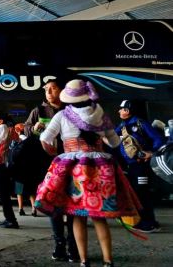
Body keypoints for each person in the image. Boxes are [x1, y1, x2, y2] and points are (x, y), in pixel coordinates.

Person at [36, 79, 141, 267]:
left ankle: (83, 260)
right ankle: (107, 260)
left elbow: (45, 138)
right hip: (101, 167)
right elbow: (116, 142)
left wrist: (54, 152)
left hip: (73, 167)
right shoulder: (100, 113)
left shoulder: (62, 115)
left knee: (77, 216)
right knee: (99, 216)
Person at [24, 79, 77, 262]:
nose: (49, 92)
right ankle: (59, 245)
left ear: (62, 91)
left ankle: (74, 246)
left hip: (71, 163)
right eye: (47, 89)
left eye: (54, 88)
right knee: (54, 204)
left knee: (72, 204)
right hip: (48, 164)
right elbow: (26, 129)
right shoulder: (38, 111)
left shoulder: (71, 109)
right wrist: (33, 128)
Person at [115, 100, 164, 233]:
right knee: (137, 193)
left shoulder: (140, 123)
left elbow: (158, 139)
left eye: (121, 109)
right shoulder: (123, 125)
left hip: (141, 165)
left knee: (143, 193)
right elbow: (112, 138)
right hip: (132, 166)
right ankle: (147, 221)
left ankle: (149, 224)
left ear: (128, 110)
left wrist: (151, 153)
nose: (119, 111)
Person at [10, 123, 36, 217]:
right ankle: (33, 209)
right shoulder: (32, 140)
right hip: (29, 168)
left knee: (20, 190)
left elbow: (12, 152)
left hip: (20, 168)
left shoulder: (17, 141)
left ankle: (21, 208)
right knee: (31, 190)